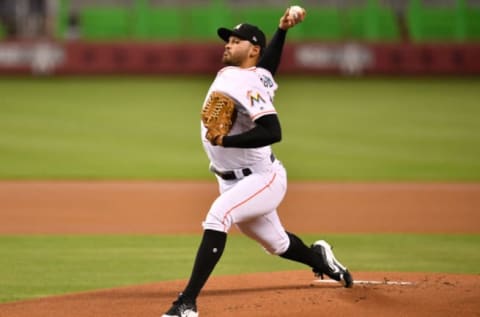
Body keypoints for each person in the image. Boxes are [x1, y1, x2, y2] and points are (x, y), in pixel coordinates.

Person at [162, 7, 353, 317]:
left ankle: (186, 303)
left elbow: (272, 131)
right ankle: (321, 259)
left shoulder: (246, 83)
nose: (227, 43)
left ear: (252, 49)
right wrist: (282, 30)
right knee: (277, 243)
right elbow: (267, 68)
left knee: (218, 216)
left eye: (236, 40)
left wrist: (228, 140)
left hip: (262, 178)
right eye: (228, 39)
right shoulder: (249, 76)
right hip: (231, 180)